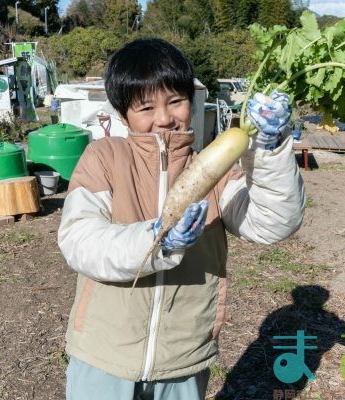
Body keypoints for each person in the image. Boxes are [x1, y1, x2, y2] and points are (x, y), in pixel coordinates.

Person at [58, 38, 306, 400]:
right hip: (103, 352)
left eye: (175, 101)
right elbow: (80, 241)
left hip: (183, 357)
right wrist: (157, 239)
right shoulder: (104, 159)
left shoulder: (216, 171)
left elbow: (273, 222)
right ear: (123, 112)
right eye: (146, 107)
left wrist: (270, 150)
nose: (164, 119)